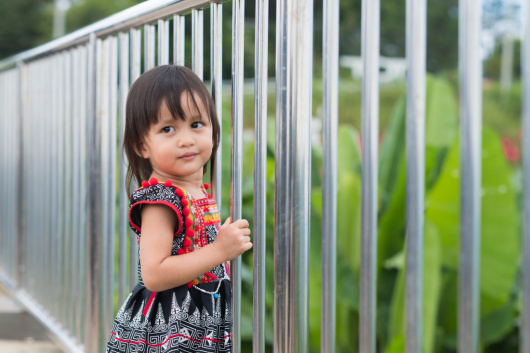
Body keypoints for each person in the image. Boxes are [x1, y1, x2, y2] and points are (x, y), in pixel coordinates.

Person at [106, 65, 252, 352]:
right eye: (168, 129)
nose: (186, 139)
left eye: (196, 124)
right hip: (169, 331)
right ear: (141, 145)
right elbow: (154, 274)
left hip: (198, 325)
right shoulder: (161, 201)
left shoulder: (194, 190)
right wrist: (219, 251)